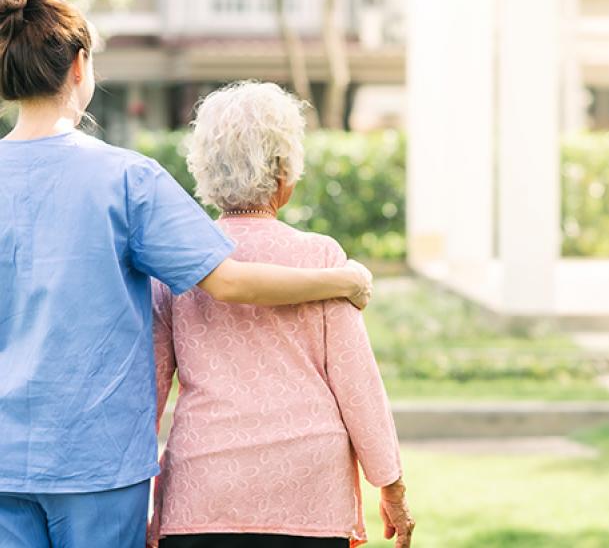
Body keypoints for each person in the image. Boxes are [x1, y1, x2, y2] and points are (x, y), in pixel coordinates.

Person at [0, 0, 373, 548]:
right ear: (79, 65)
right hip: (96, 464)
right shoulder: (126, 178)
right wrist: (341, 279)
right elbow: (229, 282)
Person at [147, 81, 415, 548]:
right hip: (309, 495)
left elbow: (146, 390)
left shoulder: (178, 264)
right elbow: (358, 385)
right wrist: (391, 486)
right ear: (283, 170)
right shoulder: (322, 258)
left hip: (204, 492)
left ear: (205, 168)